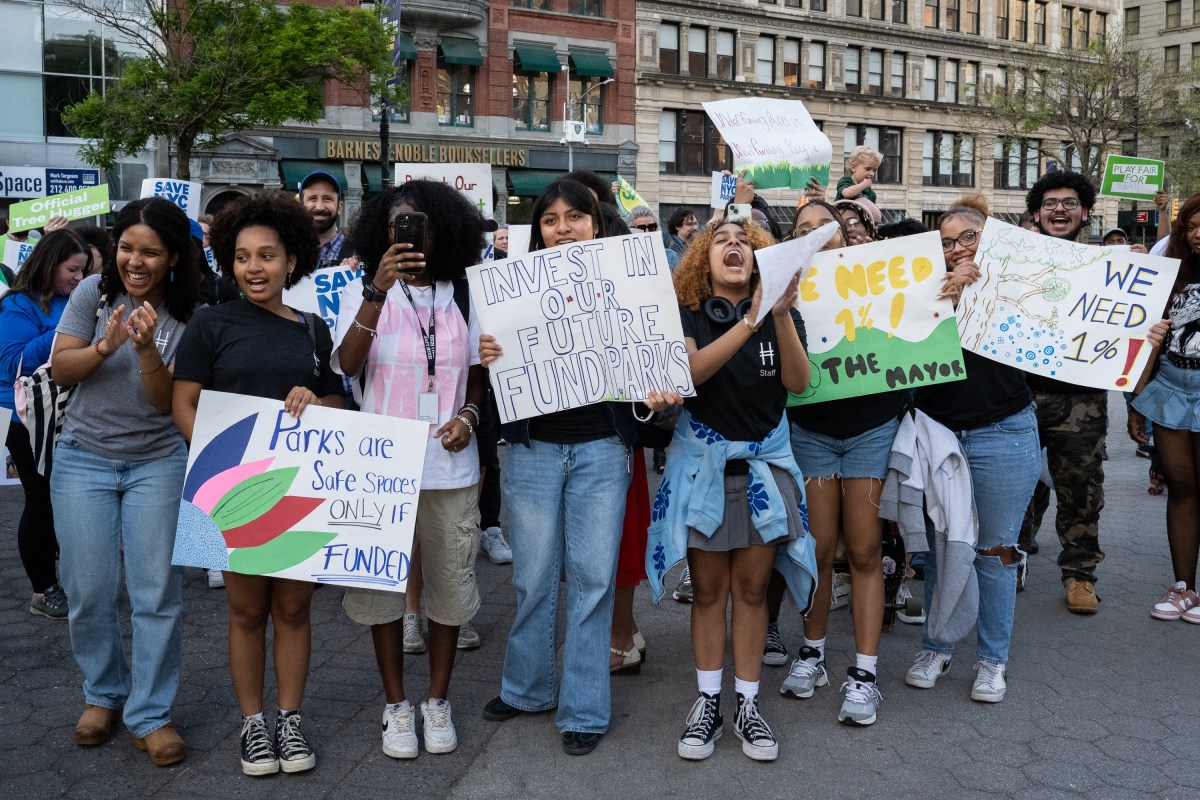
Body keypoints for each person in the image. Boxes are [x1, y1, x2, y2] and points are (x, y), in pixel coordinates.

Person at [478, 178, 681, 757]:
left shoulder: (629, 286)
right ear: (538, 231)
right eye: (551, 220)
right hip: (532, 451)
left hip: (601, 451)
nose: (563, 228)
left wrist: (657, 395)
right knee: (532, 577)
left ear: (596, 224)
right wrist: (491, 356)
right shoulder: (512, 290)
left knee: (593, 581)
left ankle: (585, 708)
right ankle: (527, 688)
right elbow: (496, 378)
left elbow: (651, 376)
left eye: (575, 217)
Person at [173, 192, 342, 776]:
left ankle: (289, 721)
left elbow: (339, 405)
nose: (254, 267)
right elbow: (184, 404)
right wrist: (218, 472)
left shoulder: (313, 330)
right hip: (232, 493)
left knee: (294, 610)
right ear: (228, 260)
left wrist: (315, 399)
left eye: (267, 255)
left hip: (296, 491)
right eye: (242, 257)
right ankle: (253, 724)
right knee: (245, 612)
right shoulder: (209, 323)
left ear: (291, 260)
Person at [646, 208, 814, 763]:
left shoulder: (782, 315)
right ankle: (707, 703)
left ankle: (746, 704)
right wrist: (747, 322)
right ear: (704, 257)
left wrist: (778, 315)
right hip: (705, 475)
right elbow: (690, 374)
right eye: (721, 239)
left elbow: (798, 383)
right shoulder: (689, 314)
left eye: (745, 239)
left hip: (763, 471)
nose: (734, 245)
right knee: (709, 592)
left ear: (759, 258)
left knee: (752, 592)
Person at [333, 179, 489, 760]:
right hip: (380, 468)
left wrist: (469, 416)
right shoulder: (362, 291)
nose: (411, 234)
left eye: (422, 224)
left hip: (450, 467)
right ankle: (396, 704)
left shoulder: (466, 293)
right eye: (399, 224)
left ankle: (437, 700)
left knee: (450, 586)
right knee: (382, 592)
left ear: (443, 232)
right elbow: (347, 364)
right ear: (381, 232)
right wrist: (377, 289)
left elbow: (478, 373)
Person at [49, 197, 201, 766]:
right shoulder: (94, 293)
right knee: (87, 589)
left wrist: (143, 351)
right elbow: (61, 369)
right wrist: (104, 346)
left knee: (156, 594)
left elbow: (166, 404)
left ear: (174, 258)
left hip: (157, 461)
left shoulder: (193, 314)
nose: (135, 262)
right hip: (83, 457)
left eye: (150, 252)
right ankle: (103, 694)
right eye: (127, 248)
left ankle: (151, 713)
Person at [902, 203, 1041, 703]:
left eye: (969, 236)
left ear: (991, 239)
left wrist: (1139, 340)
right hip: (938, 435)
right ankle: (937, 646)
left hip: (1004, 432)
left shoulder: (1019, 286)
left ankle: (991, 660)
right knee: (944, 546)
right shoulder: (921, 292)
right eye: (946, 241)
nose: (958, 247)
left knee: (994, 552)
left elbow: (1060, 342)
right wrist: (947, 300)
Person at [777, 199, 902, 726]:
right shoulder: (781, 289)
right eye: (801, 229)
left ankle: (865, 673)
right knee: (819, 549)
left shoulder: (881, 277)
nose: (812, 234)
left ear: (843, 234)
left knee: (867, 549)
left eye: (823, 226)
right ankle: (813, 653)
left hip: (872, 429)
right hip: (812, 434)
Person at [1016, 171, 1109, 614]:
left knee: (1081, 490)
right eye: (1050, 203)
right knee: (1015, 487)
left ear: (1085, 213)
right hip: (1018, 396)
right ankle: (1011, 560)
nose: (1059, 209)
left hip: (1081, 400)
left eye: (1069, 203)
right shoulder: (1013, 264)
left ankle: (1080, 576)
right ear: (1036, 214)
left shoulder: (1111, 270)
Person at [0, 230, 92, 619]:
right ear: (50, 264)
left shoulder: (73, 299)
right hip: (22, 416)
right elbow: (13, 362)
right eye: (72, 269)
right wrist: (69, 330)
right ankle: (43, 591)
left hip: (65, 412)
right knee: (39, 501)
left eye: (83, 270)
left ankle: (70, 580)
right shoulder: (17, 304)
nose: (78, 277)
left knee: (65, 500)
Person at [1130, 192, 1200, 623]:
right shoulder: (1170, 275)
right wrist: (1137, 400)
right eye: (1191, 227)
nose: (1198, 234)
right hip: (1171, 388)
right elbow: (1147, 342)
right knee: (1181, 487)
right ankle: (1183, 588)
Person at [299, 170, 354, 266]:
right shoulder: (286, 250)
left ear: (340, 207)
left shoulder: (358, 252)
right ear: (300, 206)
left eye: (327, 199)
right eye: (312, 199)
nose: (319, 207)